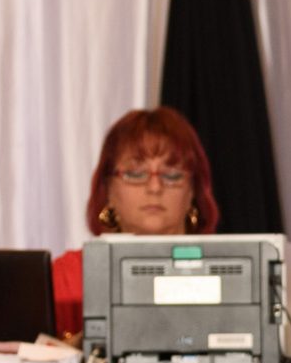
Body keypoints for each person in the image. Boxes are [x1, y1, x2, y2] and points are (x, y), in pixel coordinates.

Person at [52, 108, 220, 339]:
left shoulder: (230, 269)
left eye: (171, 175)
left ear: (193, 190)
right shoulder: (68, 278)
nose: (154, 188)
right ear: (108, 189)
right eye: (135, 173)